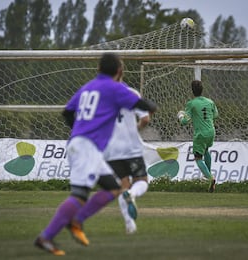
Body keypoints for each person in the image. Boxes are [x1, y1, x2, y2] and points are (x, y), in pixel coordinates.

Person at [34, 53, 157, 256]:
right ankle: (46, 237)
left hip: (84, 145)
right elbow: (144, 106)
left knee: (113, 188)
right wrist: (152, 107)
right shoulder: (115, 87)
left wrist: (80, 129)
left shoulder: (87, 87)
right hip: (86, 147)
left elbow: (67, 112)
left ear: (98, 69)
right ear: (119, 71)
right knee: (80, 195)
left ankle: (77, 221)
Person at [104, 68, 150, 235]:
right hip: (131, 148)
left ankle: (130, 225)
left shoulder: (100, 94)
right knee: (142, 181)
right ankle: (132, 193)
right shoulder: (130, 93)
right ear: (121, 72)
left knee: (123, 185)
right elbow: (145, 118)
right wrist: (135, 129)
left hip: (111, 149)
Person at [177, 80, 218, 193]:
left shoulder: (191, 103)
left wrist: (180, 116)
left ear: (192, 90)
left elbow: (185, 122)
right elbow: (215, 115)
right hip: (211, 131)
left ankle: (210, 178)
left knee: (198, 158)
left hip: (200, 134)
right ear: (202, 89)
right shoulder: (210, 101)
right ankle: (207, 176)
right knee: (206, 150)